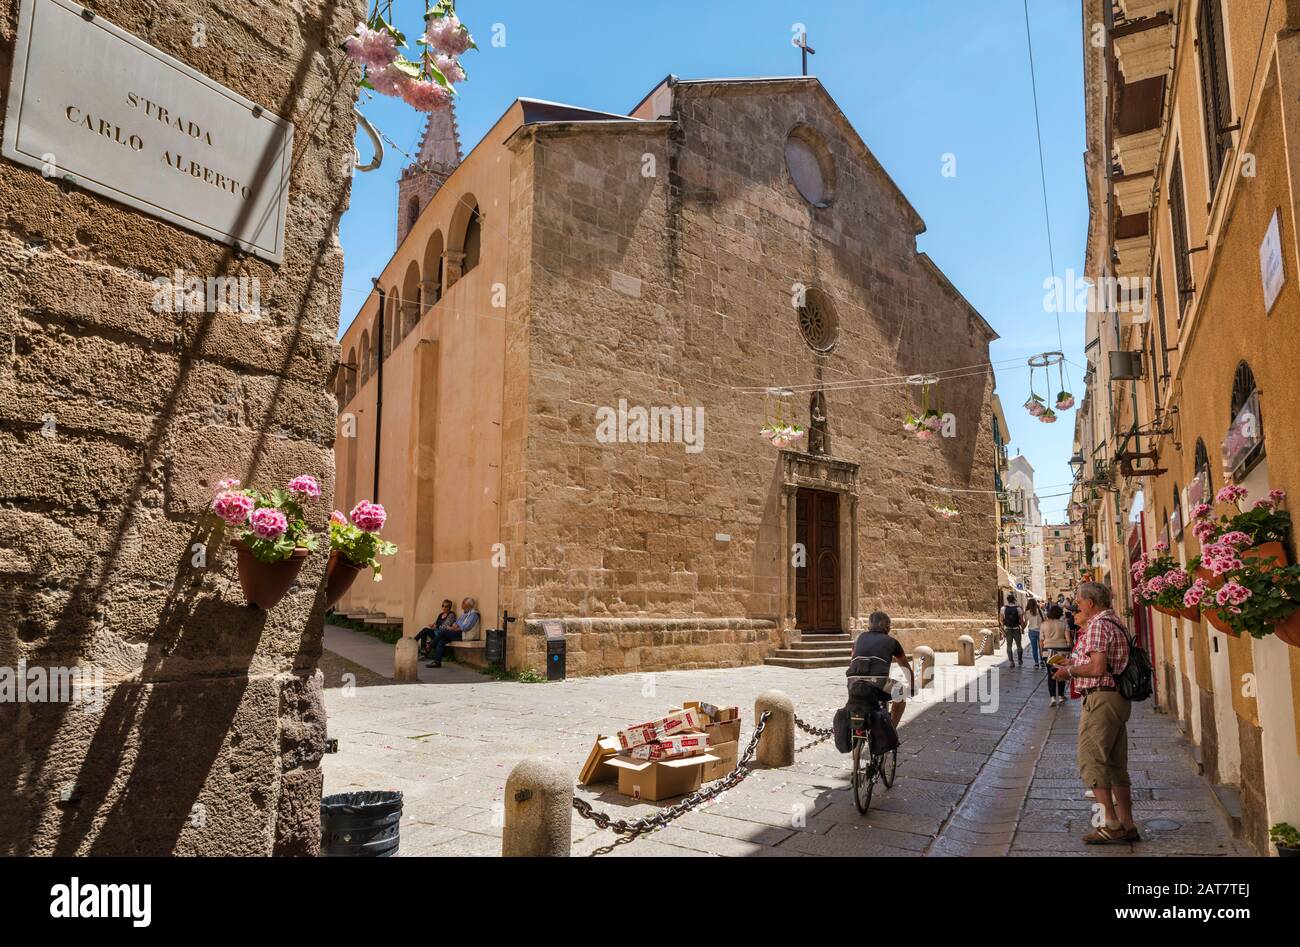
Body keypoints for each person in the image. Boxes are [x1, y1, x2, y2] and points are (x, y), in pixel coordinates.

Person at [1052, 581, 1140, 844]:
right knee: (1115, 764)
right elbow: (1102, 662)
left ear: (1090, 603)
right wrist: (1075, 662)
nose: (1076, 605)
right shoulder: (1114, 622)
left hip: (1101, 699)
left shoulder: (1098, 625)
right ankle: (1127, 823)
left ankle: (1111, 824)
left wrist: (1069, 671)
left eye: (1078, 601)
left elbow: (1098, 667)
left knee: (1091, 760)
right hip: (1116, 698)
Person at [851, 611, 915, 729]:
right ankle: (891, 730)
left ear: (870, 625)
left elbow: (852, 660)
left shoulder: (858, 639)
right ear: (887, 627)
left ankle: (855, 747)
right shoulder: (892, 642)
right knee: (900, 693)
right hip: (878, 683)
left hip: (853, 682)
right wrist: (911, 688)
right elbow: (905, 666)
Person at [426, 597, 480, 668]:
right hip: (458, 633)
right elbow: (456, 623)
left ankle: (431, 645)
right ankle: (437, 662)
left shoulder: (473, 615)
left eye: (463, 605)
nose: (462, 607)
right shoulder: (465, 614)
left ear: (468, 605)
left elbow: (465, 627)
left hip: (465, 635)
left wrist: (456, 628)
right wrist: (454, 627)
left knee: (443, 631)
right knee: (442, 640)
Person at [1040, 603, 1072, 706]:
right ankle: (1061, 696)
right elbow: (1068, 639)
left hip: (1048, 651)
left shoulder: (1044, 624)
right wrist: (1070, 648)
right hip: (1062, 651)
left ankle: (1053, 698)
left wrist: (1042, 651)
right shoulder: (1064, 624)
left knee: (1050, 674)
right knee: (1061, 672)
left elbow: (1041, 640)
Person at [999, 593, 1025, 667]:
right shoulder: (1018, 608)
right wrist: (1022, 629)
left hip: (1008, 629)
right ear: (1014, 600)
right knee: (1019, 645)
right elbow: (1022, 621)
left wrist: (1002, 629)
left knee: (1009, 646)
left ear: (1007, 600)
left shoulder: (1003, 608)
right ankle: (1019, 660)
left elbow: (1001, 620)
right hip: (1016, 629)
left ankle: (1011, 661)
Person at [1025, 598, 1044, 668]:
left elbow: (1025, 622)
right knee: (1041, 647)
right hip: (1040, 631)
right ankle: (1042, 661)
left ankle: (1036, 663)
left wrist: (1022, 628)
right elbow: (1044, 619)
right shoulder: (1040, 611)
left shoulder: (1027, 612)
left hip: (1031, 631)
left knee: (1034, 648)